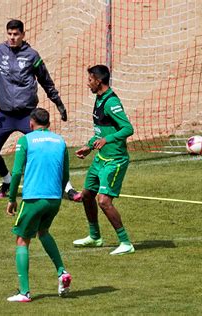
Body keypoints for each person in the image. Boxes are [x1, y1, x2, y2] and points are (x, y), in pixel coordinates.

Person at [0, 19, 81, 201]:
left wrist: (59, 103)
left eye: (16, 34)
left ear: (23, 34)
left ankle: (68, 189)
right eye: (9, 34)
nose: (12, 37)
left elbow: (46, 82)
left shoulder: (32, 55)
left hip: (28, 116)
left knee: (48, 150)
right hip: (5, 115)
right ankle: (7, 181)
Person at [5, 108, 72, 302]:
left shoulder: (26, 140)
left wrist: (11, 198)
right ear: (49, 124)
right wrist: (59, 193)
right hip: (54, 198)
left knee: (21, 240)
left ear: (31, 123)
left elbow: (16, 172)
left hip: (34, 198)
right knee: (43, 232)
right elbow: (66, 173)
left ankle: (24, 292)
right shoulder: (60, 141)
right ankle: (62, 272)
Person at [73, 65, 135, 255]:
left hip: (114, 160)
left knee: (104, 201)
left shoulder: (111, 102)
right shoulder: (99, 99)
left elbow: (127, 129)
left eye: (90, 79)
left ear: (98, 81)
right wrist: (90, 146)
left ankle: (126, 243)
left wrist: (106, 140)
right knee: (86, 195)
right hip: (100, 158)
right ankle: (95, 236)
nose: (87, 83)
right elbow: (101, 131)